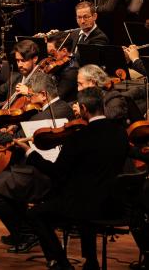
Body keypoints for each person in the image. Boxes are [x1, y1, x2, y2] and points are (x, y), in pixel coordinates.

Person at [22, 87, 129, 270]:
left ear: (84, 108)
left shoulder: (79, 137)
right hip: (113, 205)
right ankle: (91, 262)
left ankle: (60, 263)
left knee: (35, 214)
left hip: (83, 207)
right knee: (86, 196)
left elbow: (56, 172)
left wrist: (30, 152)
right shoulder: (120, 133)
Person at [0, 78, 74, 254]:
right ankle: (22, 230)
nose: (28, 98)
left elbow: (12, 141)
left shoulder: (47, 115)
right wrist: (15, 126)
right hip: (34, 166)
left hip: (41, 172)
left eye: (31, 94)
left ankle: (26, 233)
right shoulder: (62, 107)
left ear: (44, 95)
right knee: (3, 181)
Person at [0, 39, 46, 112]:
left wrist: (29, 93)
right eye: (18, 60)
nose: (19, 64)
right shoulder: (15, 78)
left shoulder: (43, 79)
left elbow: (48, 102)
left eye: (23, 60)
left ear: (35, 59)